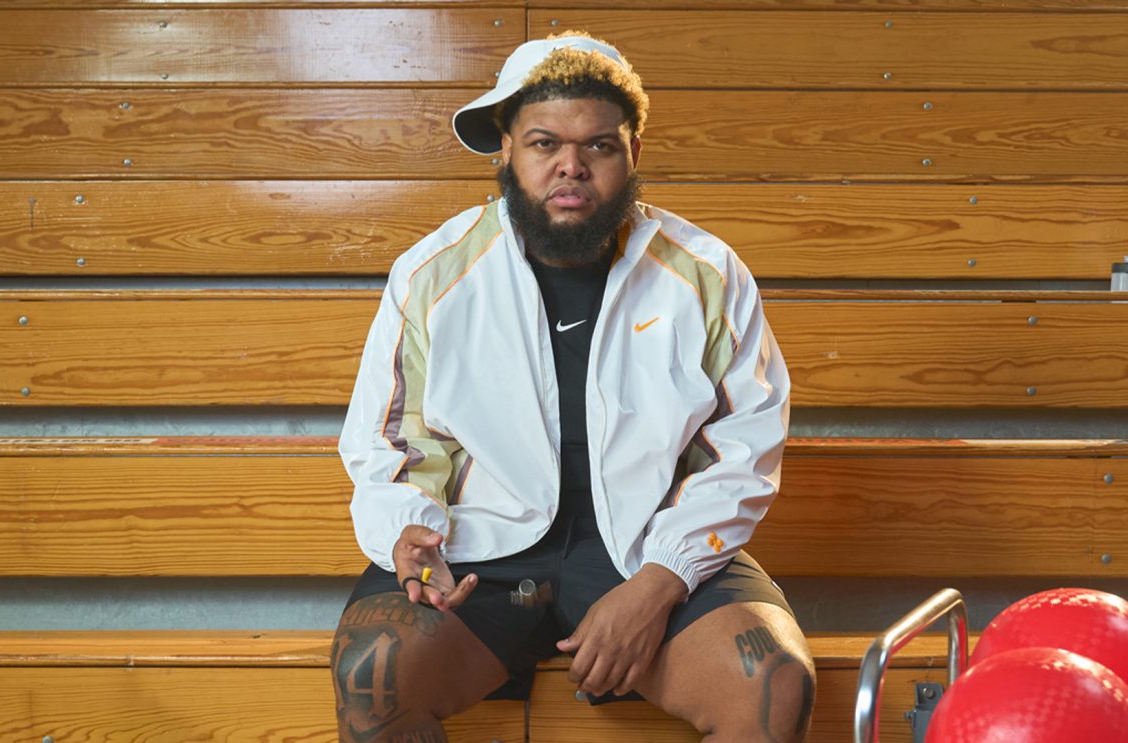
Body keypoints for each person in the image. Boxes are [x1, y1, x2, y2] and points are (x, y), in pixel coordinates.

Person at [332, 31, 813, 743]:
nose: (571, 165)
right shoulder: (433, 273)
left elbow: (744, 448)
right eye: (544, 143)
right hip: (480, 550)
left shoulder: (706, 273)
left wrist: (661, 581)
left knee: (771, 684)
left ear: (634, 153)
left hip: (647, 545)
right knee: (373, 674)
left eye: (599, 145)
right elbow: (390, 442)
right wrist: (410, 532)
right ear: (505, 149)